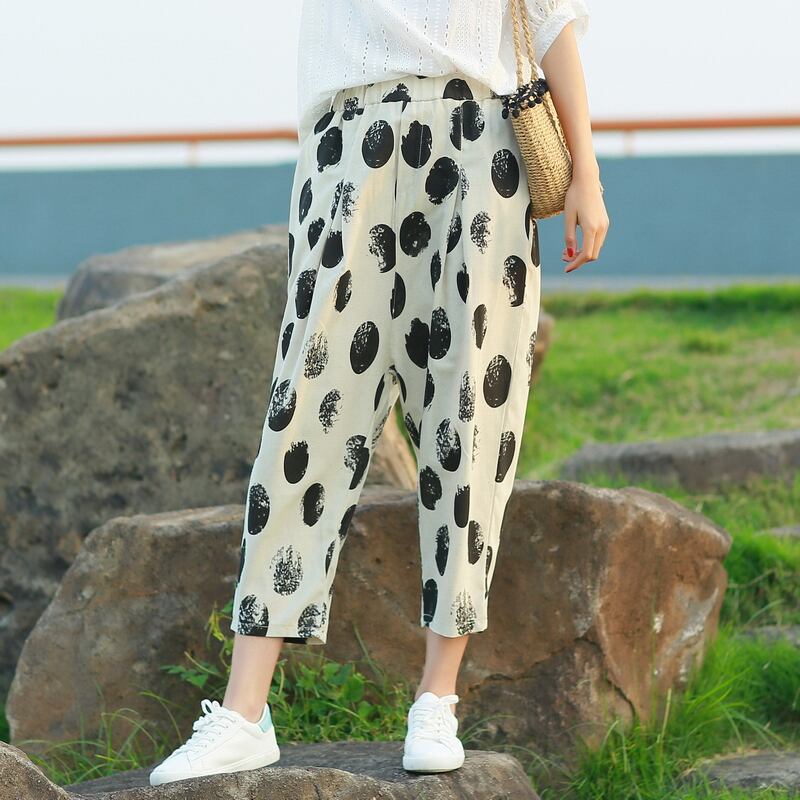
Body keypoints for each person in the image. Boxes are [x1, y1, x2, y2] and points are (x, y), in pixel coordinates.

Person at [150, 0, 608, 786]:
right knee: (303, 418)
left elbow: (550, 18)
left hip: (479, 145)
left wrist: (587, 173)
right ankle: (244, 711)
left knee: (471, 419)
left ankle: (438, 697)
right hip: (347, 147)